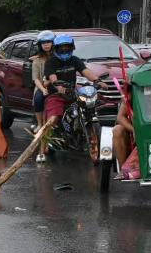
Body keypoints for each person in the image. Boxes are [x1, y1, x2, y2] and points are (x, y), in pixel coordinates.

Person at [42, 34, 104, 162]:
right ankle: (45, 145)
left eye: (67, 47)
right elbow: (52, 77)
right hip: (55, 96)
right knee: (52, 120)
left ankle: (79, 133)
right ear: (56, 49)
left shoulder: (75, 60)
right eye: (62, 47)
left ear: (71, 48)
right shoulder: (51, 62)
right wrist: (58, 86)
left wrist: (97, 80)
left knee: (87, 107)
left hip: (73, 93)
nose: (65, 50)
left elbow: (85, 71)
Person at [30, 30, 55, 141]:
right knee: (38, 98)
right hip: (41, 86)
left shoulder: (59, 57)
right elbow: (36, 79)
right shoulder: (37, 60)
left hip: (56, 84)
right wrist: (43, 89)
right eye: (43, 42)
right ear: (40, 45)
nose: (46, 44)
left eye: (48, 42)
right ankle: (40, 124)